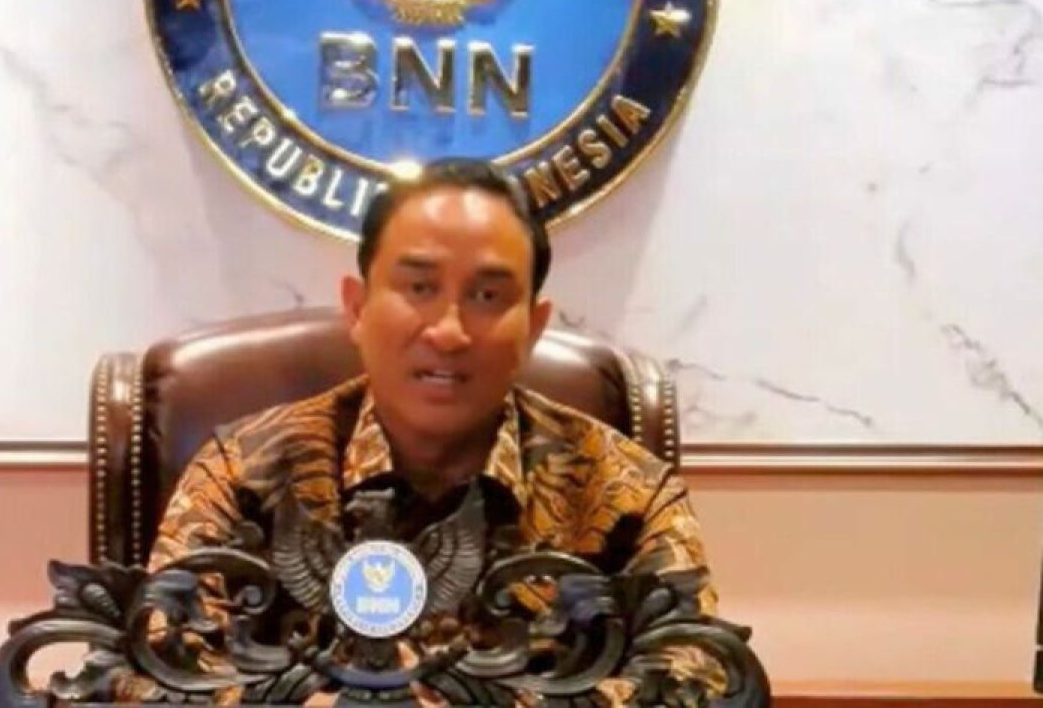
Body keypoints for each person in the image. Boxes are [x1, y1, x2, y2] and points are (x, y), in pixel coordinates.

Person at [121, 158, 724, 705]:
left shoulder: (627, 493)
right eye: (419, 288)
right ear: (357, 308)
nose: (448, 332)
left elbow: (694, 681)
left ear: (534, 327)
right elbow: (157, 674)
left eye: (487, 295)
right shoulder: (242, 472)